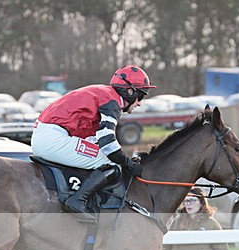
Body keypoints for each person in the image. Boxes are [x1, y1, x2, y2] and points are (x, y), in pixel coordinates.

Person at [31, 65, 155, 222]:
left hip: (47, 135)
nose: (139, 103)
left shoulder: (104, 93)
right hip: (53, 138)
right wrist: (127, 163)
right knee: (112, 163)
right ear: (130, 91)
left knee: (104, 156)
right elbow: (108, 143)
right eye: (141, 96)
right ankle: (77, 200)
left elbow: (96, 140)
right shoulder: (112, 101)